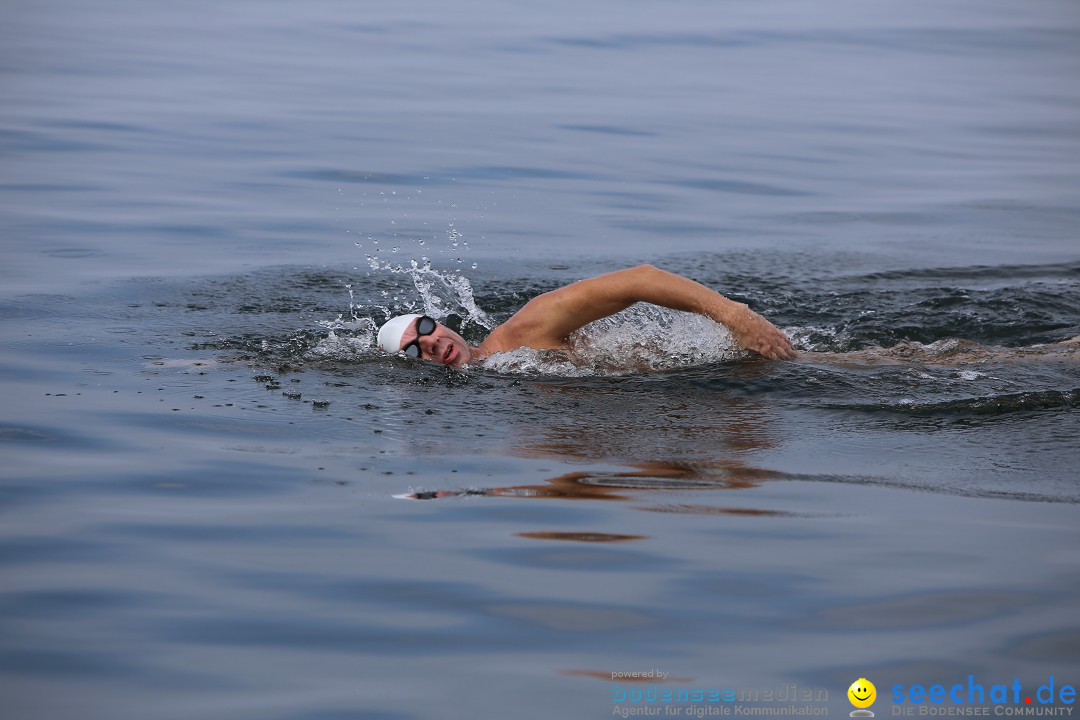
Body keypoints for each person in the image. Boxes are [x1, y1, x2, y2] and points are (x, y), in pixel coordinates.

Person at [376, 264, 797, 366]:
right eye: (416, 351)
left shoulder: (523, 331)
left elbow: (640, 278)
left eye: (426, 329)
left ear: (443, 323)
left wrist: (738, 317)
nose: (430, 342)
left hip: (738, 360)